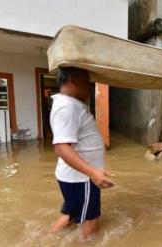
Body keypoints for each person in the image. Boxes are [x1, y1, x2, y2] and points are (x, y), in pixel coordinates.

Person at [48, 67, 114, 238]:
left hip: (78, 177)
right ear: (72, 80)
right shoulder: (67, 107)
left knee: (70, 214)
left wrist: (95, 171)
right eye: (86, 83)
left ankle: (46, 239)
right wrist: (93, 173)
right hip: (81, 179)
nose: (89, 87)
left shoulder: (69, 104)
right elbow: (61, 148)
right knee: (90, 220)